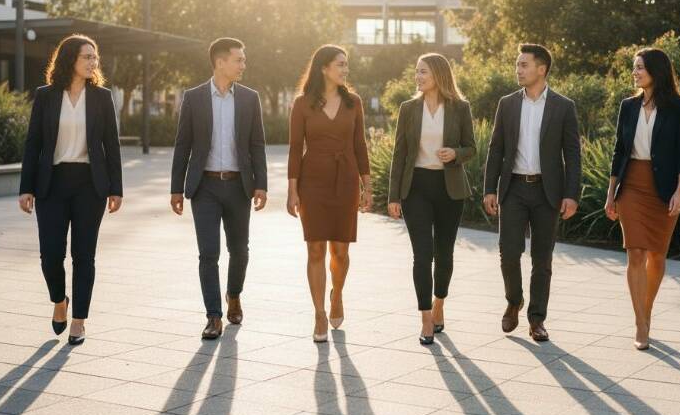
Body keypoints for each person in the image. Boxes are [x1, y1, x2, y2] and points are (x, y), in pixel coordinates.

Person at [19, 34, 123, 346]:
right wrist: (26, 187)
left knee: (84, 255)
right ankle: (59, 300)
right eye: (86, 57)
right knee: (50, 255)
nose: (93, 62)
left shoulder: (102, 97)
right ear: (70, 60)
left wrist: (116, 188)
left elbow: (112, 145)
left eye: (95, 56)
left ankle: (79, 320)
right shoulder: (46, 96)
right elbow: (34, 143)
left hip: (90, 185)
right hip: (52, 183)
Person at [170, 37, 268, 340]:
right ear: (220, 62)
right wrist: (176, 189)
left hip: (239, 186)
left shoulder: (250, 98)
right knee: (208, 253)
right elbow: (183, 145)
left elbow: (257, 144)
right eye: (239, 60)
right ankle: (213, 316)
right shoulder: (194, 97)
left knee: (239, 250)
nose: (243, 65)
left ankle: (234, 295)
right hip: (205, 188)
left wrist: (261, 185)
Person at [483, 43, 582, 342]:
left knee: (542, 258)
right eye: (517, 64)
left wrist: (571, 194)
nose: (518, 70)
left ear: (542, 69)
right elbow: (496, 148)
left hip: (547, 192)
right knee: (508, 252)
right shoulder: (507, 104)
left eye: (524, 64)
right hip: (513, 188)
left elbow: (572, 154)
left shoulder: (563, 106)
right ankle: (514, 300)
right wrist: (489, 188)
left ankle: (537, 319)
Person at [605, 47, 680, 350]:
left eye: (640, 67)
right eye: (635, 67)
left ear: (656, 70)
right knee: (635, 254)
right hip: (631, 185)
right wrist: (611, 193)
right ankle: (640, 324)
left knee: (656, 256)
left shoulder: (679, 107)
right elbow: (619, 151)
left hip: (664, 189)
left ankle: (647, 310)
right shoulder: (628, 106)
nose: (635, 72)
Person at [388, 53, 476, 345]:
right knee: (422, 255)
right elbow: (400, 154)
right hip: (416, 188)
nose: (418, 76)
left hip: (449, 188)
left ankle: (439, 303)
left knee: (444, 253)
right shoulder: (408, 108)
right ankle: (426, 317)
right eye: (417, 71)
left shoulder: (460, 108)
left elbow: (471, 148)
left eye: (423, 71)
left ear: (438, 74)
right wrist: (393, 196)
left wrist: (455, 154)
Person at [286, 45, 371, 343]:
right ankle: (319, 313)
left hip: (345, 180)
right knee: (315, 249)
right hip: (312, 182)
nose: (346, 69)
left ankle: (338, 295)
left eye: (346, 64)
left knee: (341, 251)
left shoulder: (353, 102)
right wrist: (292, 191)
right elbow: (295, 149)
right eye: (340, 64)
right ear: (324, 68)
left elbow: (360, 145)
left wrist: (367, 186)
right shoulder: (302, 104)